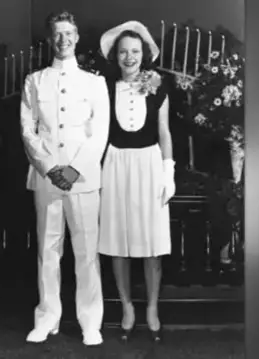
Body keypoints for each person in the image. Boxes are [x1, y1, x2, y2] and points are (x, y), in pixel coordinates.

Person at [20, 10, 110, 346]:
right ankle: (47, 318)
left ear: (77, 37)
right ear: (49, 39)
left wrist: (73, 170)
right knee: (48, 250)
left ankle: (90, 322)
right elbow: (28, 130)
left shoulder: (94, 83)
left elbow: (99, 133)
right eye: (57, 34)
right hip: (46, 178)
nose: (63, 40)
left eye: (68, 34)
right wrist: (48, 167)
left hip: (82, 178)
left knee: (86, 252)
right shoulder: (35, 81)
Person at [97, 21, 175, 343]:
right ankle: (127, 307)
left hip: (149, 164)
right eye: (124, 52)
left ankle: (152, 308)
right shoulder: (102, 87)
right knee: (118, 244)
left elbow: (164, 131)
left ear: (144, 54)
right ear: (116, 56)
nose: (129, 57)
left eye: (135, 51)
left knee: (151, 246)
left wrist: (168, 172)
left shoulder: (158, 85)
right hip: (115, 164)